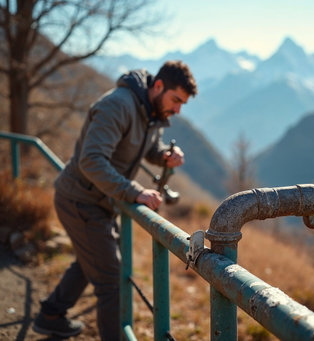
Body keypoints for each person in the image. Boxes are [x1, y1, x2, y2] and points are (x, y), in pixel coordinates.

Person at [32, 61, 198, 340]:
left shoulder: (151, 111)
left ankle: (51, 315)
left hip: (101, 201)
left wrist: (163, 156)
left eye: (183, 103)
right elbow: (91, 161)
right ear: (158, 86)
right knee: (111, 280)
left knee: (91, 262)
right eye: (176, 100)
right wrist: (134, 191)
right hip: (80, 200)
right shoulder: (117, 105)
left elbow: (145, 147)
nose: (178, 110)